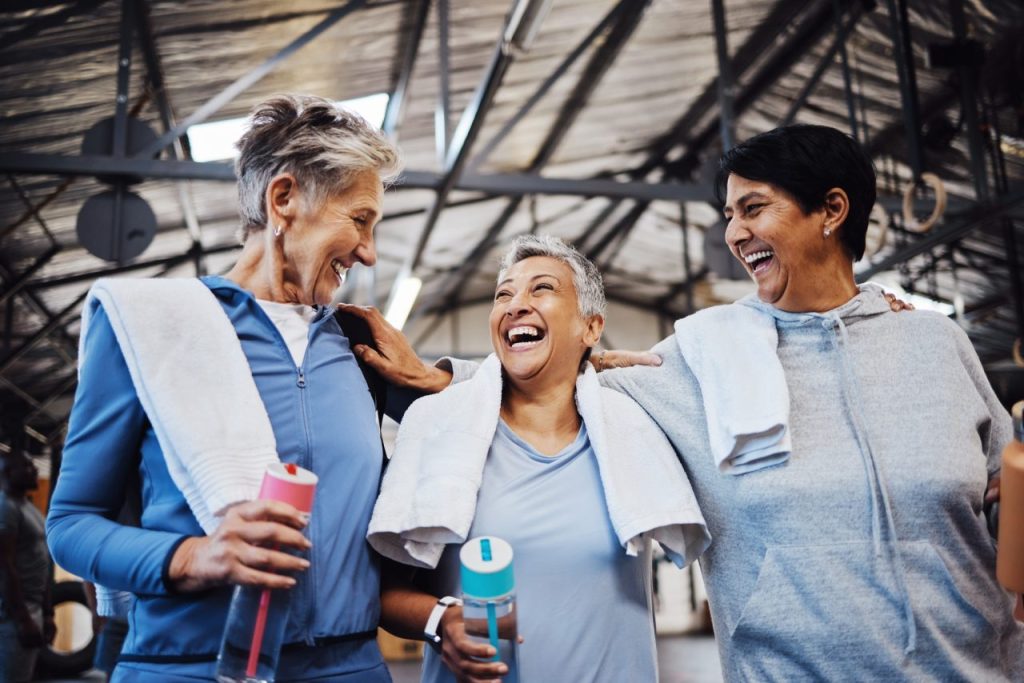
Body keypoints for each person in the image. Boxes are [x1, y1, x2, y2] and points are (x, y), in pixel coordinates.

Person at [343, 124, 1024, 680]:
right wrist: (443, 377)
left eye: (753, 209)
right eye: (728, 215)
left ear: (832, 210)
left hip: (966, 670)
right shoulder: (702, 355)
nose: (733, 234)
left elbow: (1002, 492)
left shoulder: (938, 343)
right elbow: (560, 375)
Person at [46, 94, 405, 682]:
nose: (368, 251)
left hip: (349, 666)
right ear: (283, 198)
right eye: (359, 218)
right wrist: (192, 556)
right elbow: (71, 524)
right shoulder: (155, 327)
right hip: (189, 665)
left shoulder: (361, 348)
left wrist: (596, 368)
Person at [367, 235, 709, 683]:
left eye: (541, 289)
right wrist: (440, 620)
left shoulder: (636, 429)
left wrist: (595, 364)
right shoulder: (438, 428)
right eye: (503, 294)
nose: (515, 305)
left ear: (590, 327)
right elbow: (384, 593)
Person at [0, 447, 54, 683]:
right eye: (28, 466)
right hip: (14, 615)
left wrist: (48, 613)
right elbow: (4, 564)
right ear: (8, 471)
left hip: (33, 609)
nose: (34, 470)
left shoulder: (29, 508)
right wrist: (23, 618)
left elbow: (41, 561)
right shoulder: (6, 507)